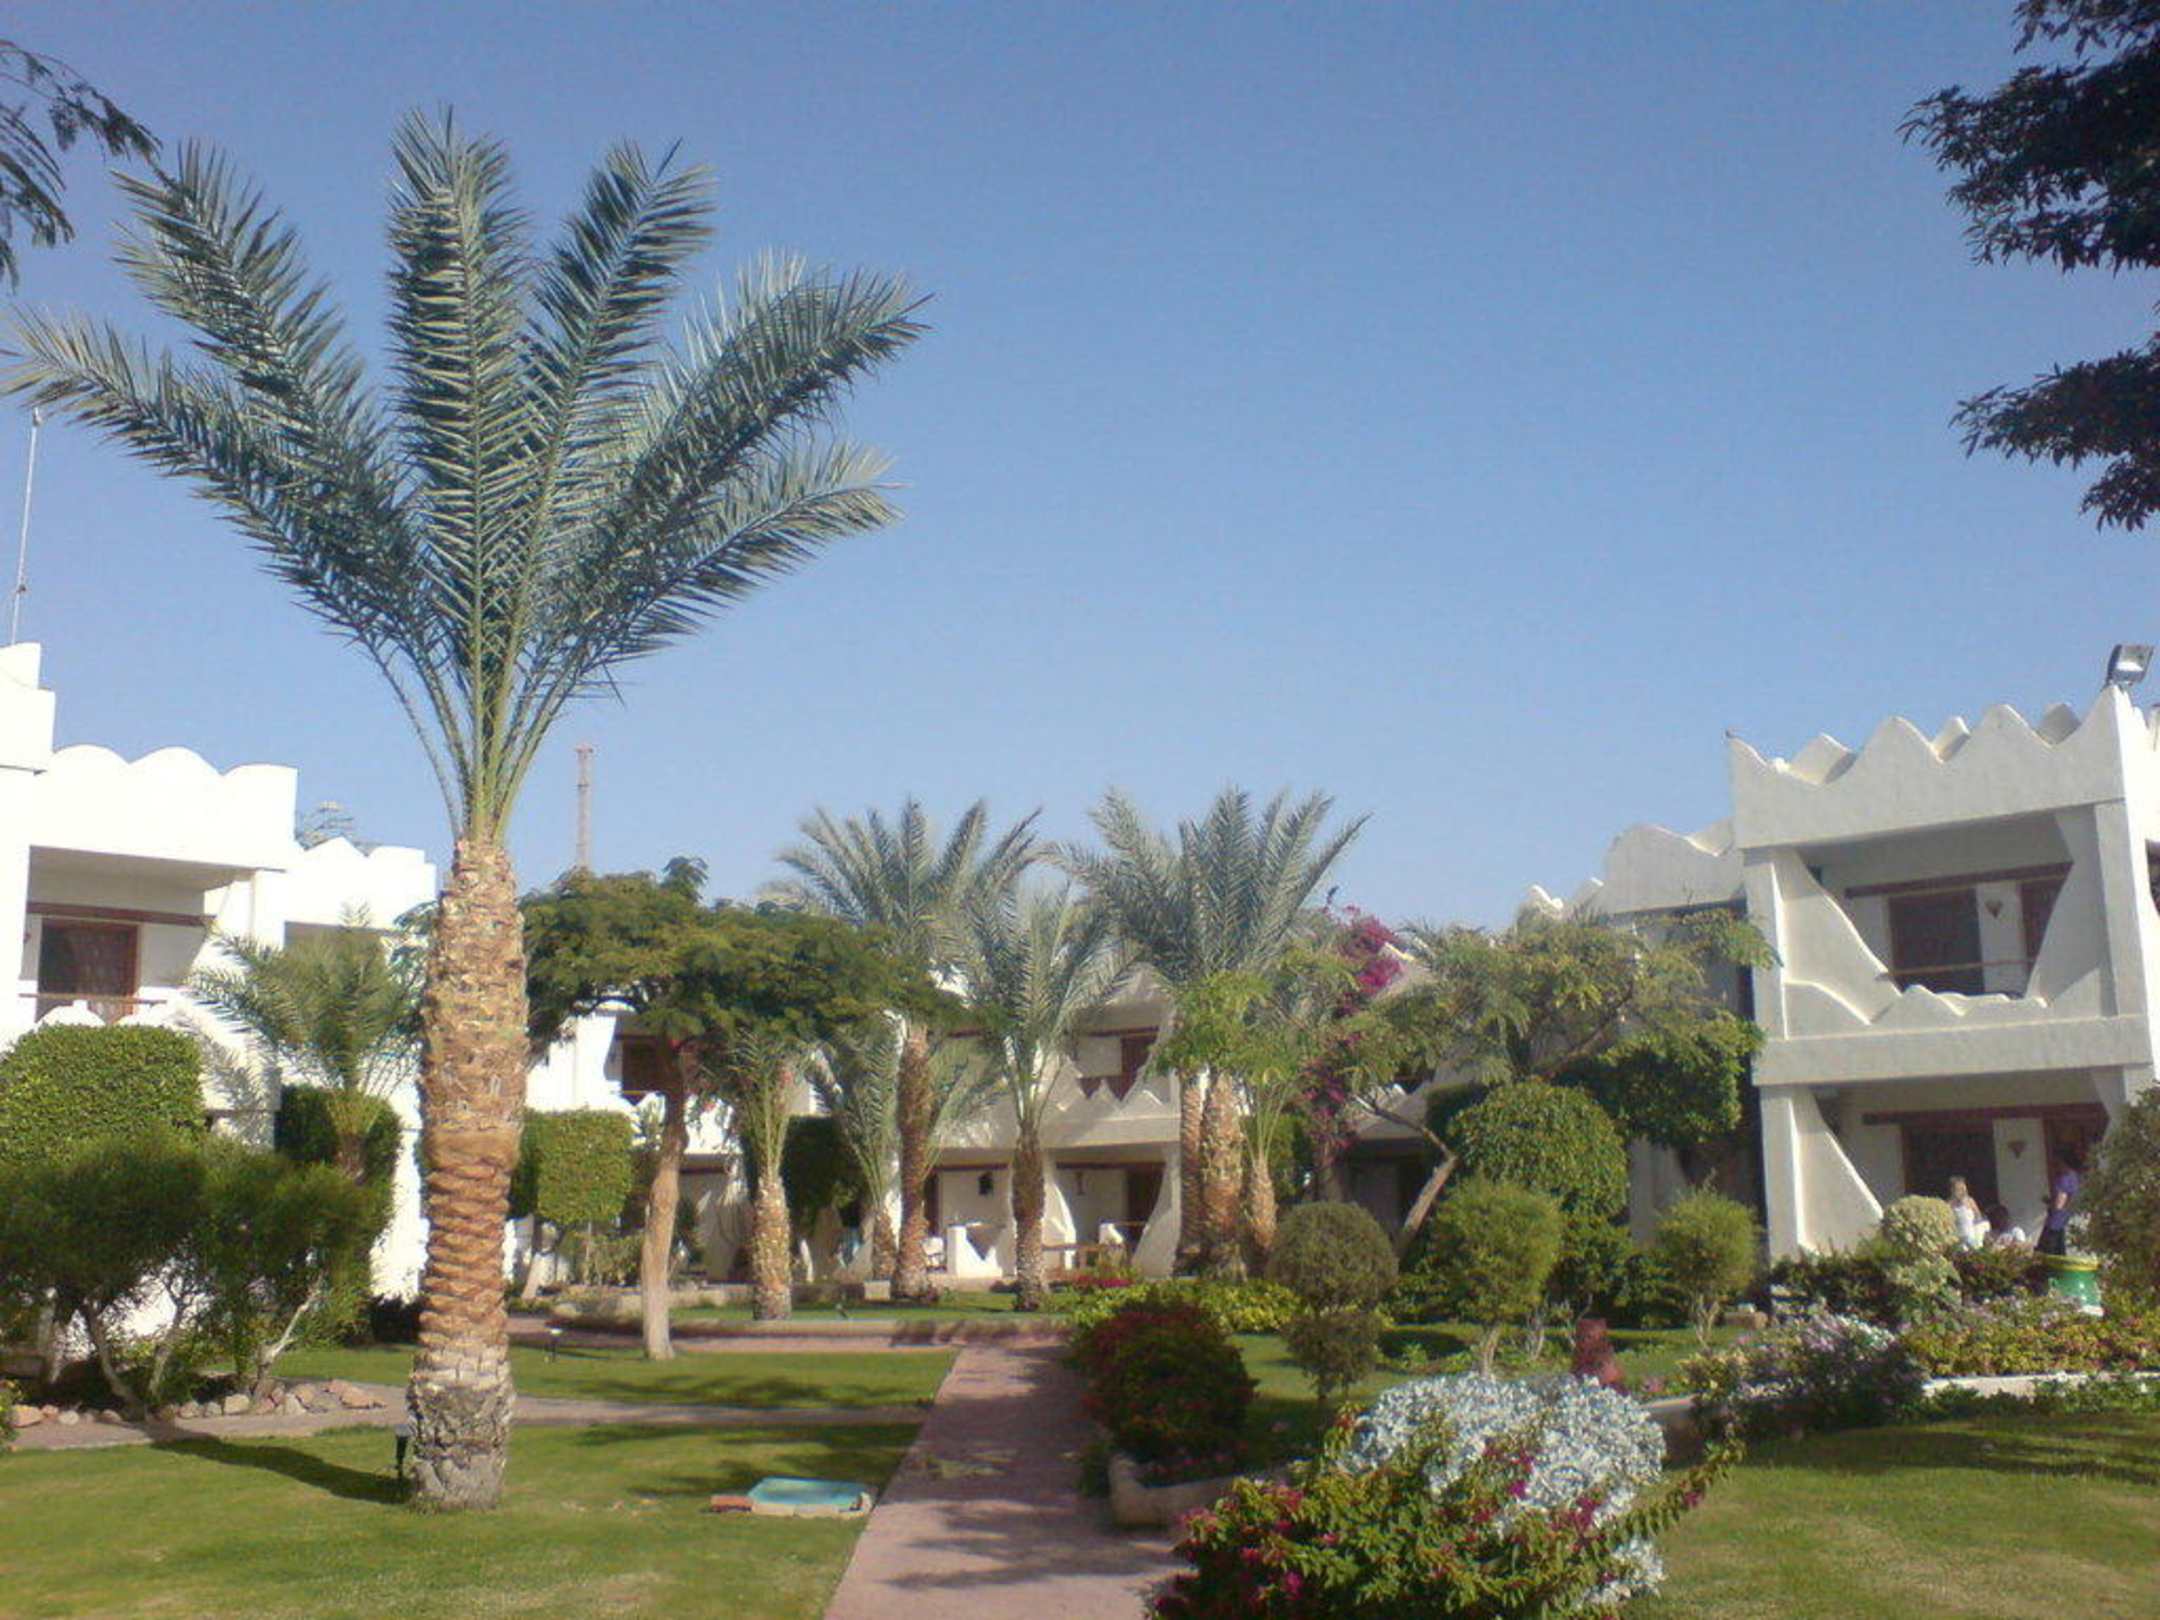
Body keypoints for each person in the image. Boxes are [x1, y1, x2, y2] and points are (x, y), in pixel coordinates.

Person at [2036, 1145, 2084, 1257]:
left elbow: (2059, 1204)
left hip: (2056, 1224)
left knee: (2047, 1255)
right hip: (2071, 1221)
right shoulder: (2077, 1177)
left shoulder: (2064, 1179)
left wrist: (2049, 1202)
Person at [1947, 1176, 1986, 1250]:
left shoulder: (1970, 1201)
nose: (1963, 1192)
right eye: (1959, 1189)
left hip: (1972, 1238)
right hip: (1958, 1240)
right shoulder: (1949, 1205)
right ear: (1953, 1190)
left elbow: (1978, 1218)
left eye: (1964, 1189)